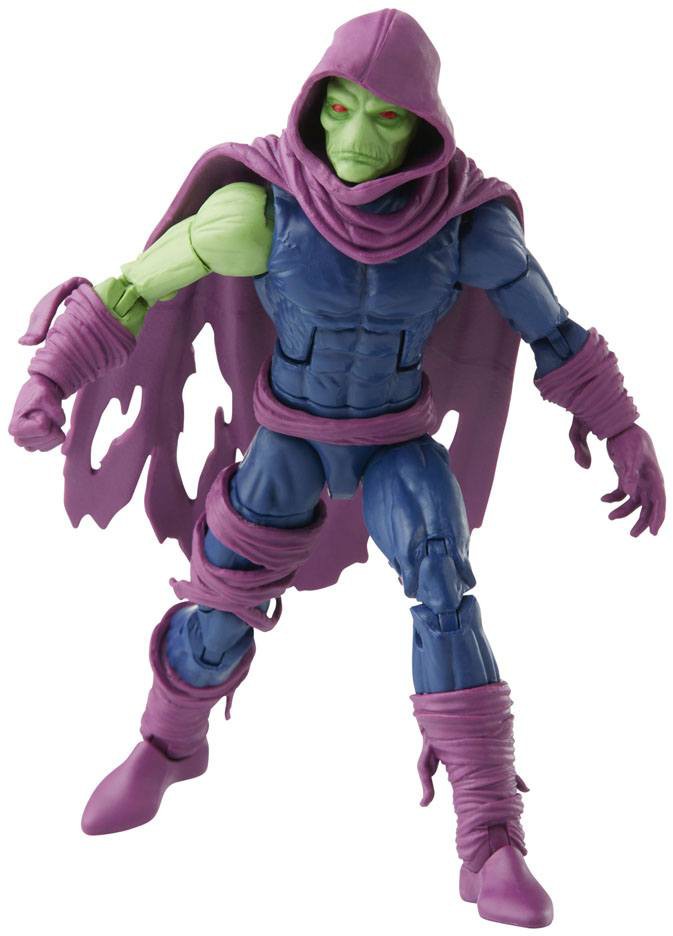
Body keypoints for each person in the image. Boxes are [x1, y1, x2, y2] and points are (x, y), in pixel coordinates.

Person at [8, 8, 665, 929]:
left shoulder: (466, 231)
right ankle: (168, 744)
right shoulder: (257, 213)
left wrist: (621, 426)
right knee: (222, 598)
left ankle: (488, 837)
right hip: (289, 436)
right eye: (342, 108)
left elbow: (553, 332)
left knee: (444, 590)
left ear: (422, 127)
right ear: (314, 105)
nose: (357, 137)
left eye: (385, 117)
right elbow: (132, 286)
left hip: (397, 440)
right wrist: (50, 376)